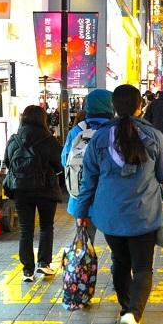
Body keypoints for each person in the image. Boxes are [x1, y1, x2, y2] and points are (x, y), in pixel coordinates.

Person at [77, 84, 163, 324]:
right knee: (142, 267)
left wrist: (81, 212)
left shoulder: (99, 138)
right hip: (143, 215)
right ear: (140, 106)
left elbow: (89, 179)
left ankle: (125, 309)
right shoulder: (153, 135)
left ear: (114, 108)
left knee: (120, 261)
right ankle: (133, 315)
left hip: (109, 215)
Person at [3, 105, 64, 282]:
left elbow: (8, 162)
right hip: (45, 190)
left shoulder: (14, 139)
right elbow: (59, 164)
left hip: (21, 190)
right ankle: (43, 264)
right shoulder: (49, 139)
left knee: (25, 230)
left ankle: (27, 271)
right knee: (46, 227)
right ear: (42, 119)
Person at [62, 88, 114, 240]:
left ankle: (84, 264)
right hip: (110, 197)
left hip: (82, 197)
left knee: (84, 244)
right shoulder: (115, 129)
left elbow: (65, 160)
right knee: (119, 250)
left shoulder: (77, 130)